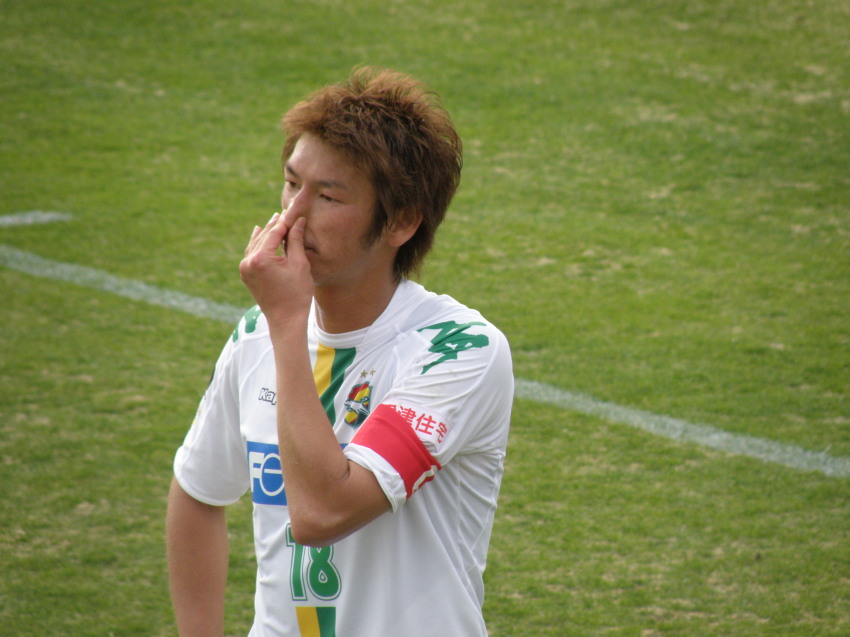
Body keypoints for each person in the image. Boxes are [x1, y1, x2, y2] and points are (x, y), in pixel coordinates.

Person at [166, 67, 514, 637]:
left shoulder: (458, 351)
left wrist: (286, 323)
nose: (292, 216)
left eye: (327, 196)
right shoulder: (256, 333)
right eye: (291, 183)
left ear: (401, 222)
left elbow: (322, 513)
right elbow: (198, 491)